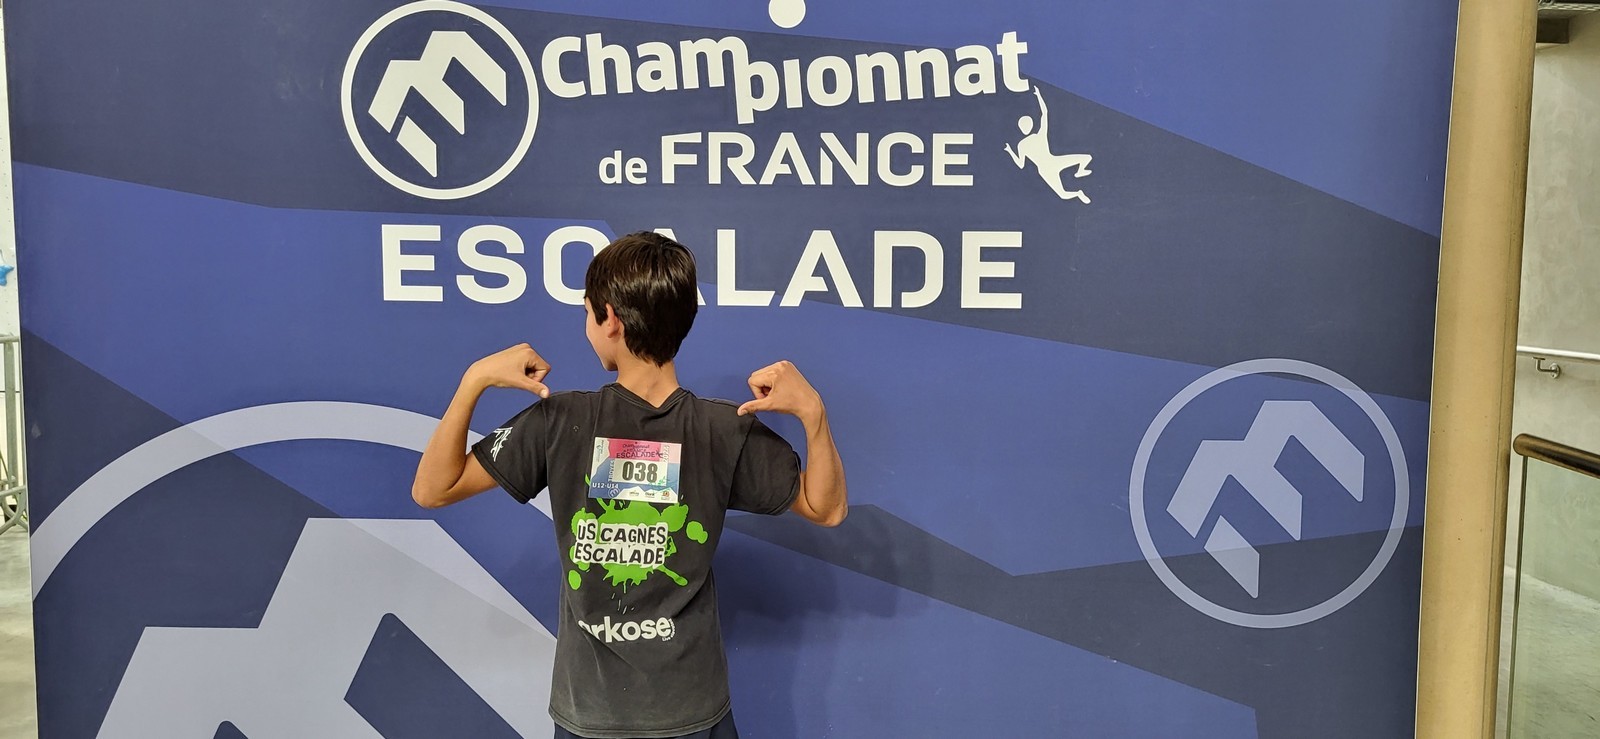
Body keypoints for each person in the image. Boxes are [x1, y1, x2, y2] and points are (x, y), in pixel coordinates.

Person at [411, 231, 847, 739]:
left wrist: (475, 380)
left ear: (610, 319)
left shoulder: (563, 420)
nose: (586, 325)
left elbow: (433, 489)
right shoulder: (716, 428)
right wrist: (814, 416)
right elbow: (828, 508)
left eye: (586, 312)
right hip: (645, 715)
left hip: (652, 716)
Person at [1004, 85, 1093, 203]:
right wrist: (1038, 96)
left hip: (1051, 164)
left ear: (1030, 125)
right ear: (1021, 128)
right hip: (1047, 168)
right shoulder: (1029, 141)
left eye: (1026, 124)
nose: (1025, 127)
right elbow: (1044, 113)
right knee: (1063, 194)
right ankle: (1078, 191)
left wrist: (1010, 151)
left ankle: (1079, 173)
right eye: (1023, 125)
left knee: (1087, 158)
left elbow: (1044, 114)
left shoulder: (1030, 140)